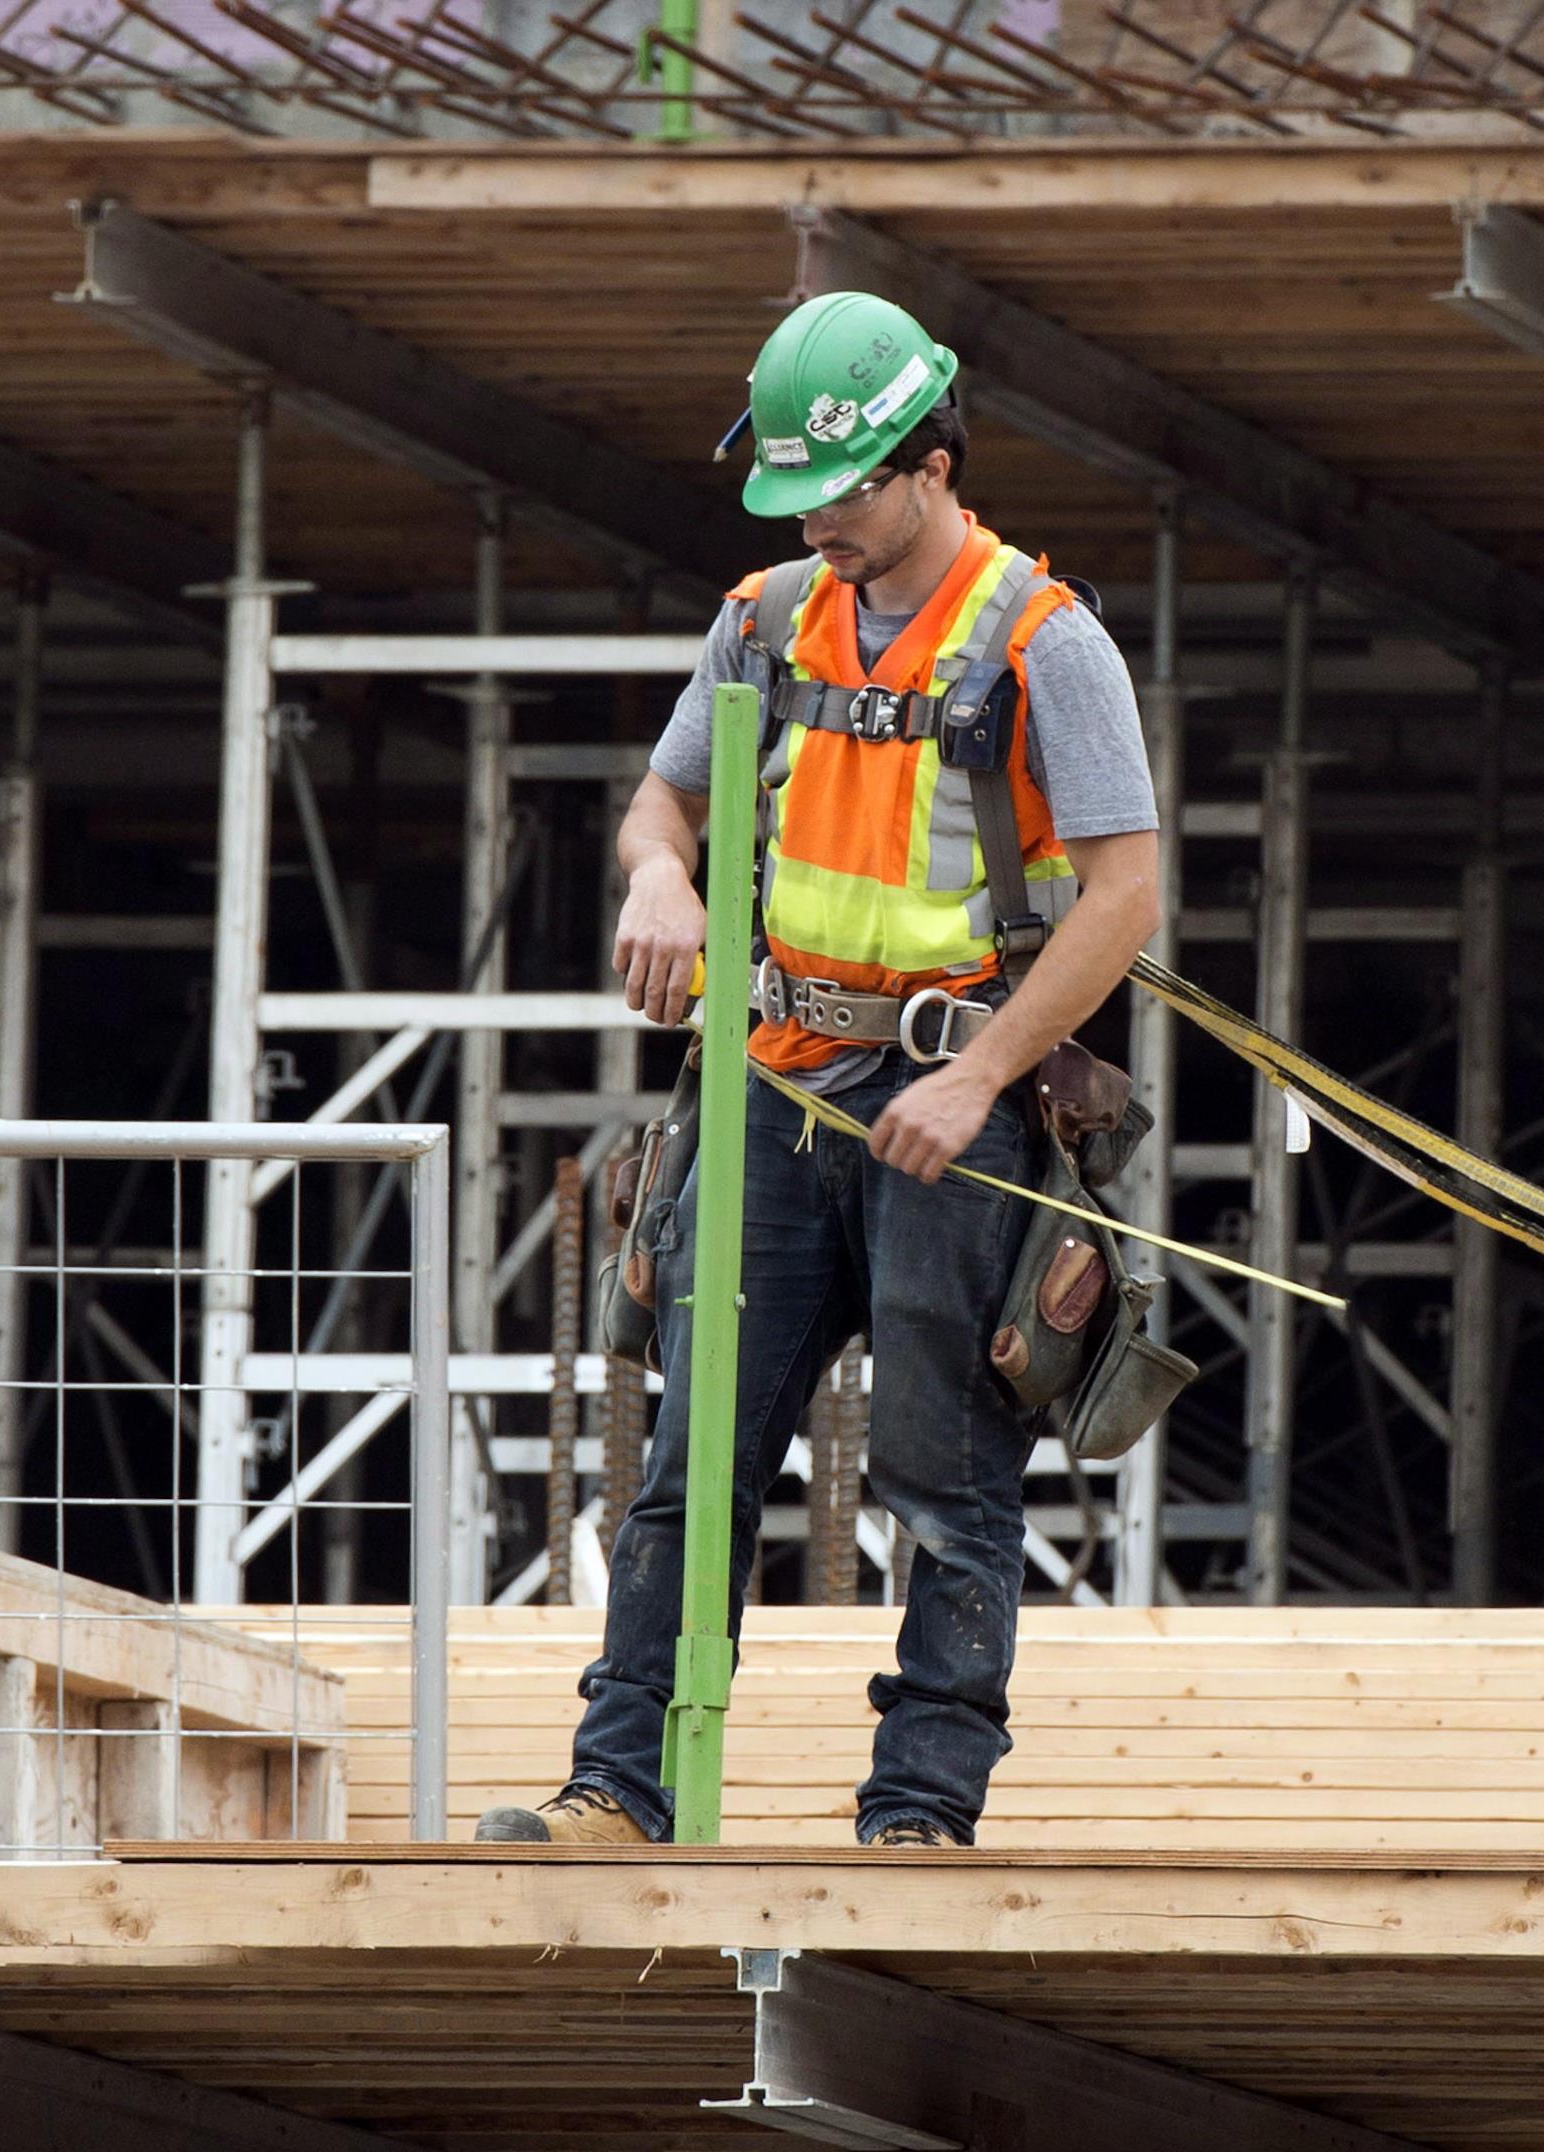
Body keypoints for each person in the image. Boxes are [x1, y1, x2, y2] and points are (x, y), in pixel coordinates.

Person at [477, 293, 1162, 1849]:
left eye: (841, 493)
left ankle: (919, 1812)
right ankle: (619, 1788)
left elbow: (1126, 896)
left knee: (945, 1475)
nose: (818, 526)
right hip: (776, 1090)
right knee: (686, 1466)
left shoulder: (1048, 642)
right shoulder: (762, 616)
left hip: (946, 1103)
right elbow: (661, 814)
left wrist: (984, 1072)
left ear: (929, 461)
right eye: (794, 497)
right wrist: (661, 879)